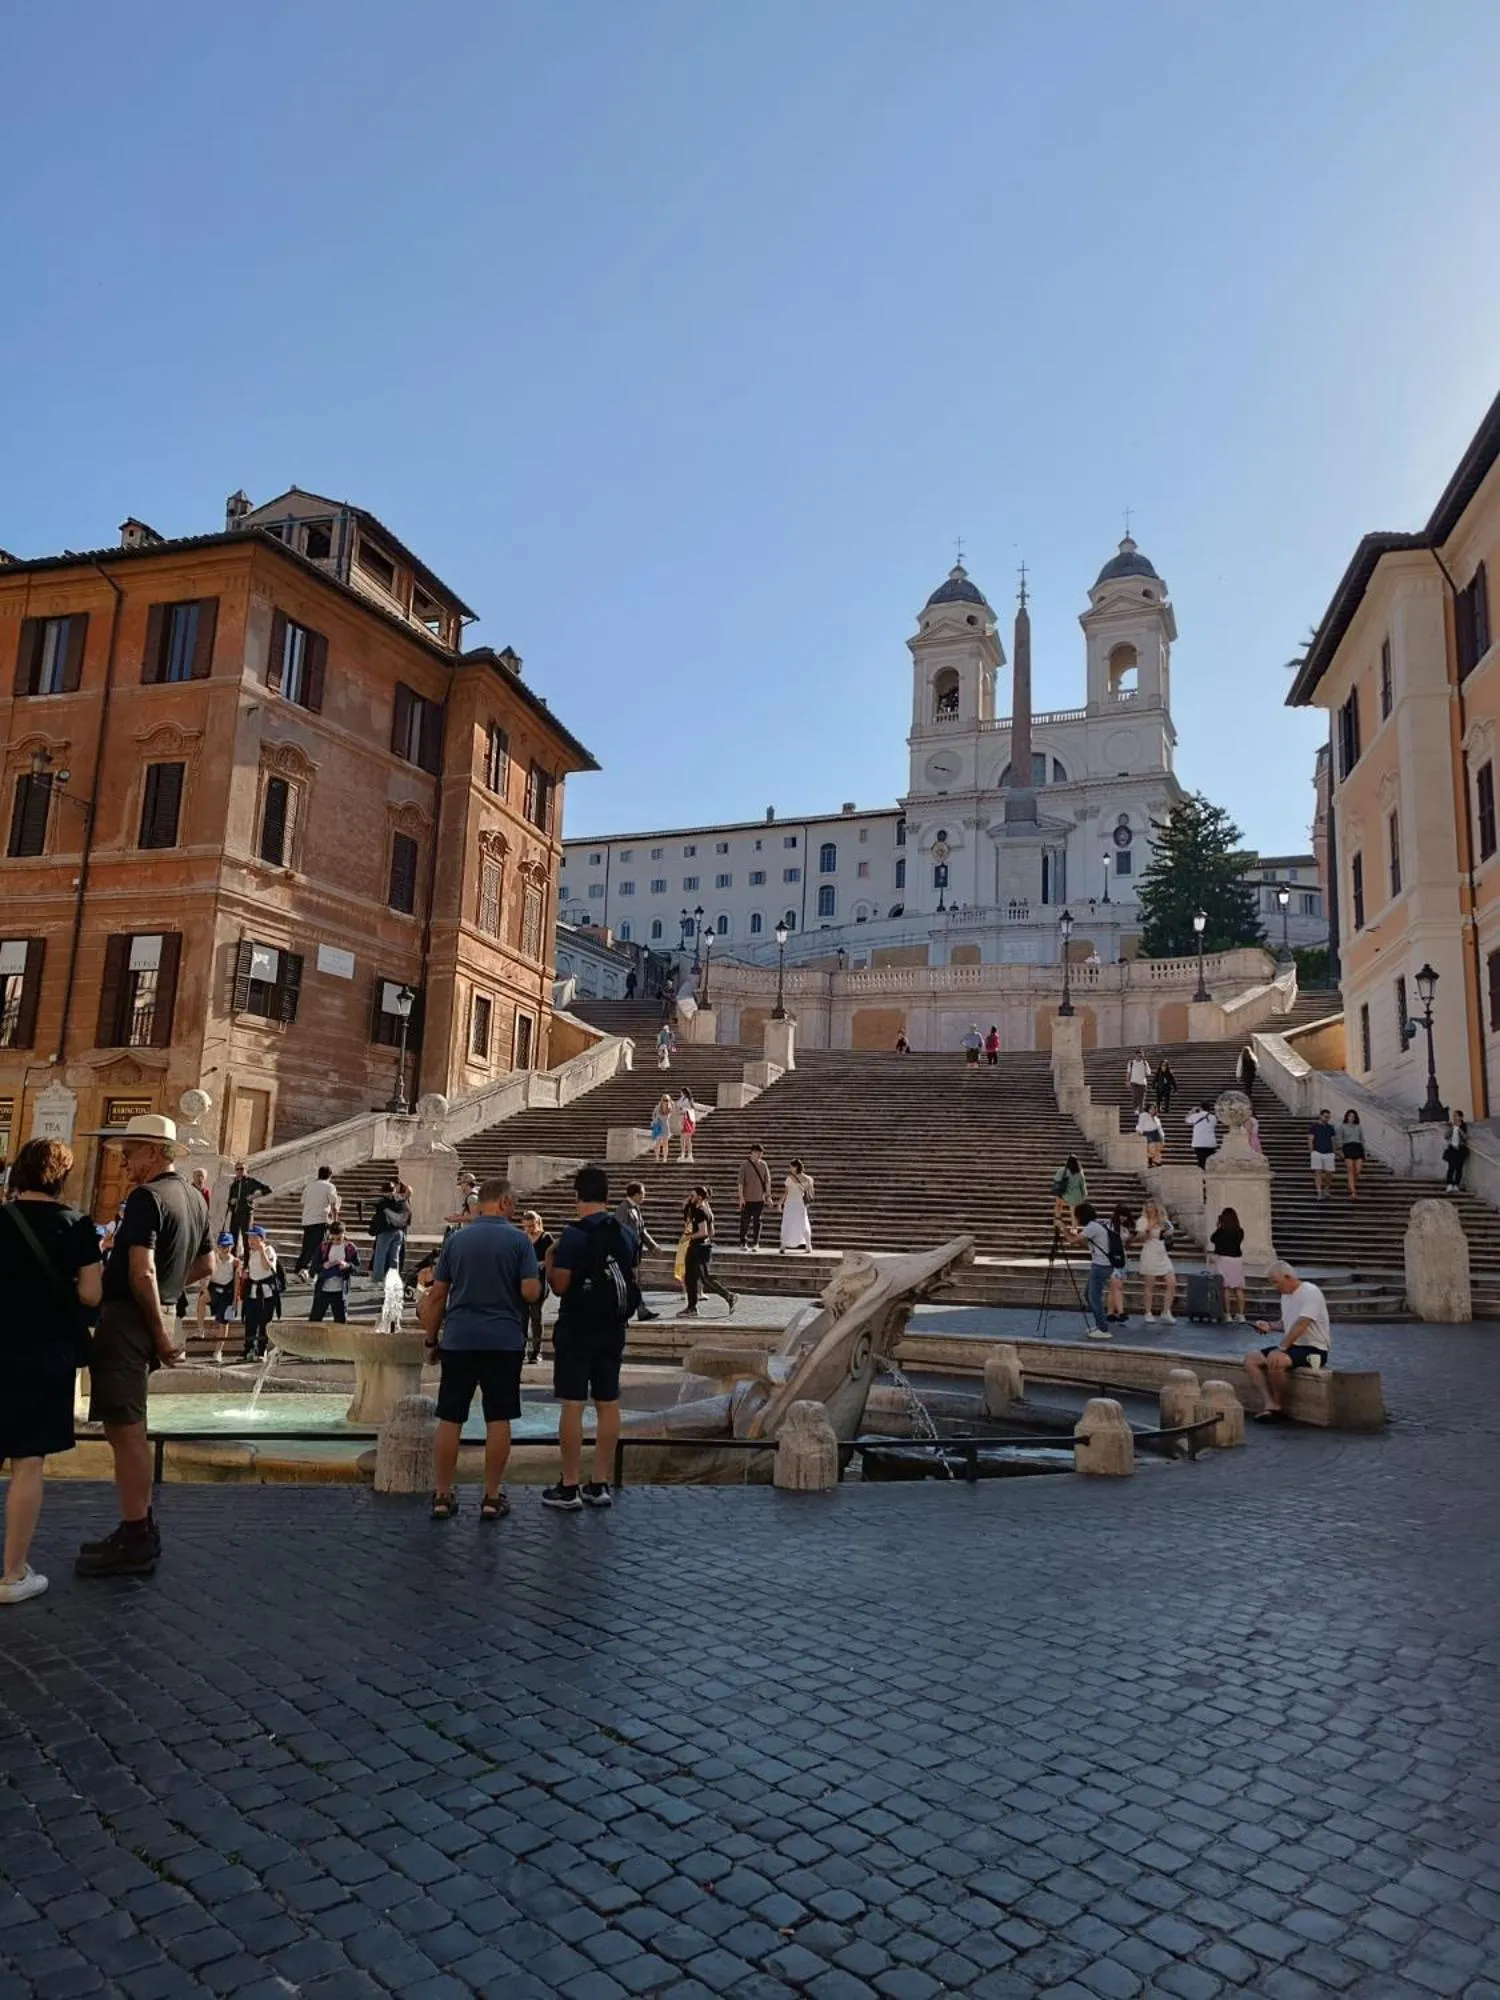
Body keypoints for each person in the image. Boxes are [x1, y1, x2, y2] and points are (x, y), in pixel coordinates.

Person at [75, 1114, 211, 1579]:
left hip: (129, 1322)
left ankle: (136, 1534)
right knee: (129, 1425)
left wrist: (156, 1329)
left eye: (131, 1152)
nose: (125, 1161)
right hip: (152, 1317)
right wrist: (169, 1301)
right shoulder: (194, 1197)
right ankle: (137, 1525)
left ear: (154, 1153)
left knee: (125, 1430)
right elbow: (206, 1265)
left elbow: (142, 1272)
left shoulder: (146, 1198)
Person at [0, 1140, 103, 1605]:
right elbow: (91, 1296)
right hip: (44, 1353)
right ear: (62, 1177)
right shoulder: (76, 1225)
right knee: (28, 1463)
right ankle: (13, 1573)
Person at [420, 1177, 541, 1521]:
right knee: (499, 1418)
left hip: (459, 1339)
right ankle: (491, 1496)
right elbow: (531, 1292)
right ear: (502, 1202)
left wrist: (431, 1340)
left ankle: (443, 1494)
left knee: (450, 1417)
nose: (515, 1208)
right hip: (503, 1341)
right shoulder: (519, 1241)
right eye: (513, 1202)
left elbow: (437, 1296)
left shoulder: (456, 1242)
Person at [545, 1163, 641, 1509]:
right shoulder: (625, 1234)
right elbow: (631, 1276)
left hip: (577, 1327)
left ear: (577, 1197)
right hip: (613, 1328)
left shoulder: (573, 1235)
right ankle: (599, 1483)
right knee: (608, 1403)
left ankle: (569, 1485)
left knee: (573, 1404)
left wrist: (549, 1260)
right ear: (607, 1196)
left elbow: (560, 1286)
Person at [1245, 1261, 1330, 1422]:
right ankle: (1268, 1402)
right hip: (1295, 1346)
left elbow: (1301, 1325)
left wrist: (1282, 1348)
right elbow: (1287, 1324)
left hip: (1314, 1348)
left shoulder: (1311, 1292)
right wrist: (1269, 1326)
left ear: (1288, 1277)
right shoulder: (1285, 1296)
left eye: (1276, 1282)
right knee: (1251, 1359)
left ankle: (1278, 1407)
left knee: (1275, 1359)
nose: (1274, 1286)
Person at [679, 1184, 737, 1317]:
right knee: (690, 1278)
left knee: (705, 1278)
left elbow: (704, 1232)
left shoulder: (700, 1212)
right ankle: (691, 1307)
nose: (690, 1198)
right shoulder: (705, 1210)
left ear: (699, 1197)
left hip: (699, 1248)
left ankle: (729, 1296)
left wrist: (688, 1237)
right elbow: (712, 1232)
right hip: (700, 1247)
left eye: (692, 1196)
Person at [612, 1183, 661, 1322]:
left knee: (633, 1282)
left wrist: (653, 1246)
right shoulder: (623, 1209)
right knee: (630, 1282)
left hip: (634, 1252)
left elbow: (642, 1230)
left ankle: (639, 1310)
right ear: (636, 1194)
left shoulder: (636, 1209)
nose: (644, 1197)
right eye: (643, 1194)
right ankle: (636, 1310)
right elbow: (618, 1232)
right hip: (626, 1253)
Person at [1066, 1202, 1115, 1339]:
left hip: (1100, 1266)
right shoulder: (1096, 1226)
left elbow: (1072, 1241)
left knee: (1094, 1298)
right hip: (1102, 1265)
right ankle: (1100, 1324)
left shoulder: (1092, 1227)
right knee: (1088, 1295)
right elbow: (1084, 1243)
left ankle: (1103, 1329)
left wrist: (1062, 1228)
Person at [240, 1227, 282, 1360]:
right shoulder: (251, 1253)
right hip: (253, 1292)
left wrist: (262, 1250)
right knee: (250, 1322)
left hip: (266, 1293)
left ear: (261, 1239)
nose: (250, 1241)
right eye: (249, 1238)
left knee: (264, 1322)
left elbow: (266, 1267)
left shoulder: (269, 1250)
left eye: (254, 1238)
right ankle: (249, 1349)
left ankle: (261, 1350)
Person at [520, 1210, 557, 1358]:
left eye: (531, 1226)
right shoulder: (522, 1238)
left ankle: (536, 1350)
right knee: (522, 1316)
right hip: (523, 1280)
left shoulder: (546, 1237)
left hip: (539, 1280)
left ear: (537, 1223)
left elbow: (554, 1255)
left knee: (536, 1315)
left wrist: (543, 1263)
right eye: (526, 1226)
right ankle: (520, 1348)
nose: (529, 1229)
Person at [294, 1165, 340, 1279]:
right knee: (319, 1248)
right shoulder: (330, 1187)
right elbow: (334, 1206)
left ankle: (299, 1269)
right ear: (330, 1175)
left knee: (306, 1247)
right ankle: (312, 1273)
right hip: (320, 1220)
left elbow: (303, 1202)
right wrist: (335, 1221)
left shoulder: (309, 1186)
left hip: (307, 1220)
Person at [1135, 1201, 1176, 1324]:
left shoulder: (1163, 1220)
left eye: (1152, 1206)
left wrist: (1167, 1232)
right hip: (1150, 1253)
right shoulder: (1142, 1221)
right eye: (1148, 1206)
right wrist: (1149, 1229)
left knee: (1172, 1283)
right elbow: (1140, 1237)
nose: (1150, 1208)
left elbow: (1170, 1231)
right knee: (1149, 1285)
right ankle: (1148, 1312)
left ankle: (1166, 1311)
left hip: (1162, 1253)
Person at [309, 1224, 358, 1323]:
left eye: (339, 1239)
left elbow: (356, 1267)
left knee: (340, 1321)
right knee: (315, 1319)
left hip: (340, 1291)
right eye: (332, 1239)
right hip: (323, 1290)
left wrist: (347, 1265)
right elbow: (313, 1268)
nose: (335, 1242)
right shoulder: (323, 1247)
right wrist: (324, 1266)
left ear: (344, 1235)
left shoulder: (350, 1248)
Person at [224, 1160, 271, 1257]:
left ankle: (246, 1265)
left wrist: (254, 1196)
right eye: (237, 1169)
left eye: (242, 1169)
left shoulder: (251, 1181)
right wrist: (231, 1202)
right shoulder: (234, 1185)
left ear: (246, 1170)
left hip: (246, 1214)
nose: (240, 1171)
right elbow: (229, 1201)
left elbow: (268, 1189)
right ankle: (234, 1264)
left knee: (247, 1240)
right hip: (235, 1215)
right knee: (233, 1239)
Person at [369, 1179, 411, 1285]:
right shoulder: (401, 1200)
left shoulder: (383, 1201)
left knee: (380, 1256)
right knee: (394, 1257)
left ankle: (377, 1280)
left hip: (386, 1231)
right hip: (399, 1231)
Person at [206, 1234, 241, 1360]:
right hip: (214, 1288)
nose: (226, 1248)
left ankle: (218, 1350)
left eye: (228, 1246)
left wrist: (235, 1300)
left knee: (224, 1322)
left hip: (227, 1292)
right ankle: (200, 1329)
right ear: (218, 1247)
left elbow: (237, 1282)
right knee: (201, 1300)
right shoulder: (213, 1258)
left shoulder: (235, 1262)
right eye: (223, 1246)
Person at [1210, 1206, 1247, 1324]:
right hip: (1236, 1260)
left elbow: (1213, 1239)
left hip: (1224, 1259)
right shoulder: (1239, 1231)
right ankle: (1241, 1315)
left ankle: (1228, 1314)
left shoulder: (1221, 1231)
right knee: (1238, 1288)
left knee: (1226, 1287)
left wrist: (1218, 1228)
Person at [1105, 1202, 1135, 1324]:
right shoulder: (1110, 1225)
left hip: (1121, 1257)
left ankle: (1110, 1313)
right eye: (1121, 1215)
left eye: (1125, 1216)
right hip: (1112, 1259)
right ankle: (1121, 1312)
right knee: (1118, 1286)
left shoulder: (1124, 1227)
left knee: (1114, 1287)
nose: (1123, 1218)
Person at [738, 1144, 772, 1249]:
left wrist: (768, 1196)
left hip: (759, 1198)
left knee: (757, 1221)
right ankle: (743, 1242)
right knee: (745, 1221)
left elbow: (767, 1181)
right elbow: (740, 1183)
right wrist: (741, 1198)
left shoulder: (763, 1165)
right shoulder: (744, 1165)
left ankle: (756, 1243)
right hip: (747, 1198)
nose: (760, 1155)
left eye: (761, 1153)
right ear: (752, 1152)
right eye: (758, 1152)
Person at [779, 1159, 815, 1254]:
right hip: (801, 1205)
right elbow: (810, 1193)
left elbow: (786, 1193)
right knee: (803, 1224)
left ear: (795, 1167)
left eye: (791, 1166)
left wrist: (779, 1203)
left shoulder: (789, 1178)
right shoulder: (809, 1179)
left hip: (790, 1204)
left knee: (787, 1224)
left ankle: (783, 1245)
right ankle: (808, 1245)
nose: (790, 1168)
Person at [1308, 1107, 1338, 1201]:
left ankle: (1326, 1189)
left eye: (1328, 1117)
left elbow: (1333, 1140)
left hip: (1329, 1152)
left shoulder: (1330, 1127)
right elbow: (1310, 1139)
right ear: (1320, 1116)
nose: (1326, 1118)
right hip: (1317, 1151)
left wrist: (1334, 1152)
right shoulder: (1314, 1127)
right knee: (1318, 1172)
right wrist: (1311, 1151)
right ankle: (1319, 1191)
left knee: (1329, 1172)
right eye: (1325, 1116)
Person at [1051, 1154, 1087, 1227]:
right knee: (1074, 1213)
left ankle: (1058, 1221)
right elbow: (1082, 1185)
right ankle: (1074, 1229)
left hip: (1064, 1193)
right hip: (1076, 1195)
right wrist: (1084, 1195)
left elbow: (1056, 1180)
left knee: (1058, 1205)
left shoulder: (1062, 1170)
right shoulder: (1079, 1172)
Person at [1340, 1109, 1365, 1200]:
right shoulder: (1343, 1126)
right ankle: (1353, 1191)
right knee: (1350, 1170)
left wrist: (1364, 1150)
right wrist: (1340, 1150)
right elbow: (1340, 1138)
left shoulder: (1358, 1126)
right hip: (1348, 1147)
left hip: (1357, 1147)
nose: (1351, 1118)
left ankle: (1351, 1185)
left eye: (1353, 1116)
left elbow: (1362, 1139)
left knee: (1357, 1169)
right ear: (1347, 1117)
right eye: (1350, 1116)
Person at [1187, 1102, 1219, 1171]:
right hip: (1210, 1143)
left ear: (1201, 1107)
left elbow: (1187, 1120)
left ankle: (1202, 1173)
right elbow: (1214, 1125)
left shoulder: (1195, 1115)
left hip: (1198, 1142)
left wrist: (1192, 1111)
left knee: (1201, 1159)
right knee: (1208, 1159)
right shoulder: (1213, 1117)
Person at [1444, 1112, 1469, 1193]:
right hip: (1452, 1148)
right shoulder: (1451, 1126)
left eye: (1456, 1116)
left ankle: (1456, 1184)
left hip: (1460, 1149)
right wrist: (1452, 1127)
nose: (1454, 1118)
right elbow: (1446, 1136)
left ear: (1461, 1117)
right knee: (1451, 1167)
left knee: (1459, 1168)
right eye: (1453, 1116)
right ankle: (1449, 1184)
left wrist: (1459, 1128)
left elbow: (1465, 1137)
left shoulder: (1464, 1126)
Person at [1135, 1101, 1165, 1167]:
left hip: (1156, 1133)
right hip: (1148, 1133)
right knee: (1151, 1149)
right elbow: (1140, 1124)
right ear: (1148, 1108)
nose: (1153, 1110)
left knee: (1158, 1149)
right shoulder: (1143, 1115)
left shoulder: (1156, 1117)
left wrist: (1162, 1136)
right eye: (1151, 1108)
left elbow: (1159, 1127)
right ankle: (1149, 1161)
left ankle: (1156, 1161)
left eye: (1154, 1108)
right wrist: (1140, 1132)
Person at [650, 1093, 674, 1165]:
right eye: (664, 1100)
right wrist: (654, 1120)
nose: (665, 1101)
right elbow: (653, 1115)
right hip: (658, 1126)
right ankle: (657, 1158)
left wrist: (670, 1102)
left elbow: (673, 1111)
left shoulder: (670, 1108)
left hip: (666, 1126)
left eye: (667, 1100)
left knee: (665, 1143)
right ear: (662, 1100)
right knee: (657, 1143)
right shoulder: (657, 1107)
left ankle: (665, 1158)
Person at [676, 1087, 699, 1163]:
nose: (680, 1093)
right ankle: (683, 1154)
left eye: (681, 1092)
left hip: (688, 1120)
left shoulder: (688, 1100)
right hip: (683, 1120)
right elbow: (678, 1106)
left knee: (687, 1139)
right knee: (682, 1139)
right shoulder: (682, 1099)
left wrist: (682, 1110)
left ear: (684, 1092)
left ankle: (689, 1155)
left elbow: (688, 1109)